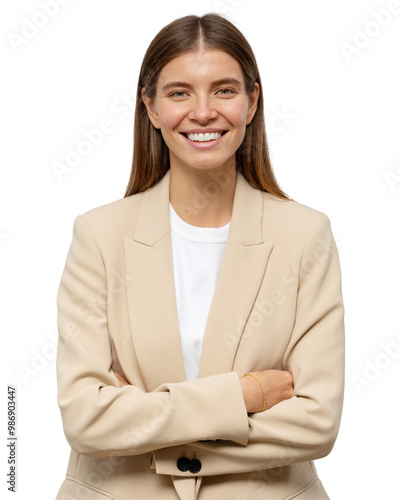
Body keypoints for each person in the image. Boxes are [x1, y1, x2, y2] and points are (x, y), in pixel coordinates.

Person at [55, 13, 345, 500]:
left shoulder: (305, 235)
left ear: (252, 103)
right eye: (179, 92)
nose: (204, 111)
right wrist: (247, 397)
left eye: (225, 91)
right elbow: (86, 419)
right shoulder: (99, 236)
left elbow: (317, 423)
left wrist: (144, 425)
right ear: (150, 107)